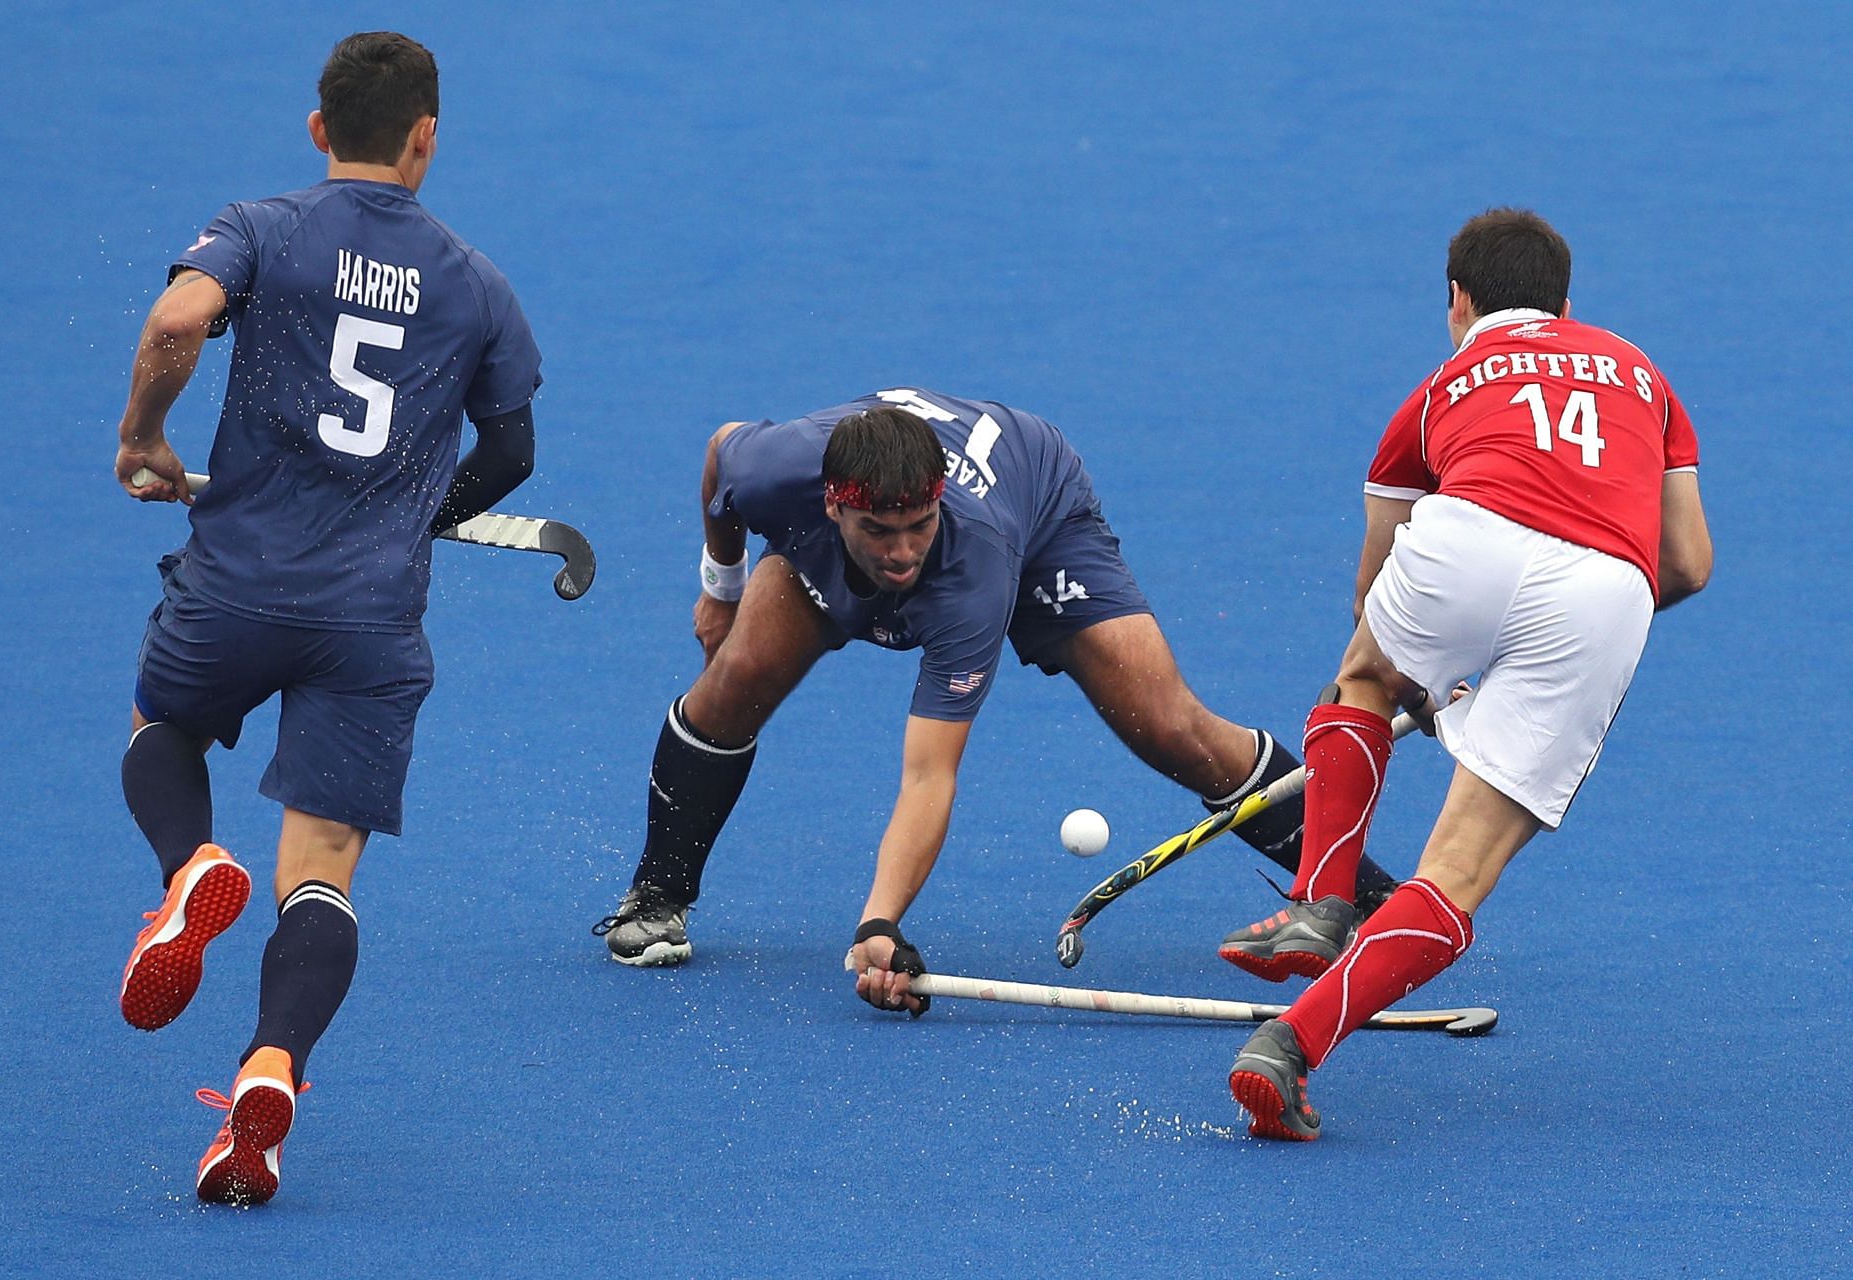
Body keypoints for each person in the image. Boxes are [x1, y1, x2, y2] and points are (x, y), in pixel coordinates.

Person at [113, 32, 542, 1204]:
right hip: (370, 619)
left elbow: (174, 324)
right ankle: (270, 1070)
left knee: (164, 725)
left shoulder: (264, 227)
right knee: (323, 876)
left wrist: (145, 433)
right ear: (426, 137)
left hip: (235, 585)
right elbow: (511, 448)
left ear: (319, 129)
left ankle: (191, 862)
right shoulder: (477, 282)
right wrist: (419, 506)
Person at [591, 388, 1398, 1010]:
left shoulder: (967, 572)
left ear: (937, 500)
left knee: (1169, 727)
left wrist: (878, 923)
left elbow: (928, 775)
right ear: (834, 505)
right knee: (734, 679)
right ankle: (658, 893)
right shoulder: (775, 472)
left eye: (918, 525)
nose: (903, 553)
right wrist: (721, 588)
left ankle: (1358, 895)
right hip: (845, 529)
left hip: (1038, 515)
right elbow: (718, 456)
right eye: (880, 530)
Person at [1220, 209, 1713, 1140]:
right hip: (1607, 589)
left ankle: (1320, 899)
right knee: (1458, 873)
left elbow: (1373, 596)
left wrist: (1422, 674)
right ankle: (1288, 1046)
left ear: (1457, 301)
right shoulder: (1643, 373)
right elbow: (1686, 562)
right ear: (1567, 306)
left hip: (1469, 538)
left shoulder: (1441, 383)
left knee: (1359, 678)